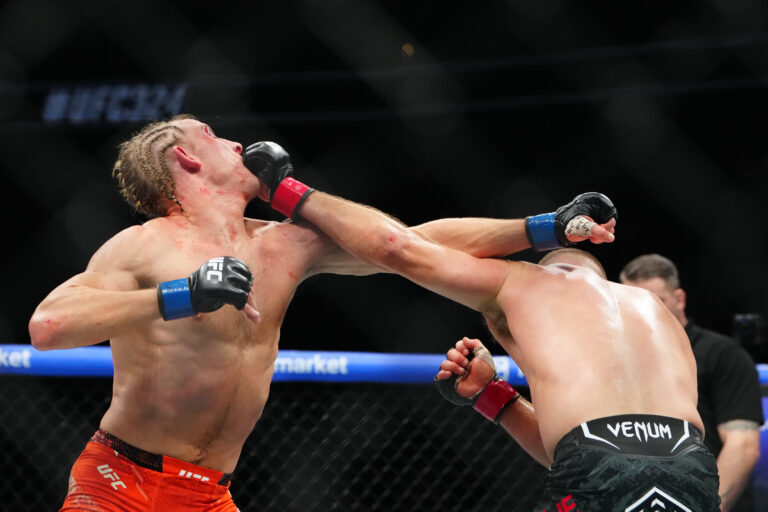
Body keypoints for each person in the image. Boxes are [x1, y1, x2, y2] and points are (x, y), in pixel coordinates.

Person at [27, 116, 611, 511]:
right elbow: (49, 326)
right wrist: (184, 294)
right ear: (186, 156)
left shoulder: (282, 245)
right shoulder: (143, 246)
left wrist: (544, 228)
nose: (237, 143)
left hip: (209, 494)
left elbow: (418, 242)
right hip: (120, 481)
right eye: (214, 135)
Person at [268, 167, 721, 510]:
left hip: (594, 463)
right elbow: (613, 447)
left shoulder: (524, 282)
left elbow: (397, 247)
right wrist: (493, 396)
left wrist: (284, 190)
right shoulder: (658, 312)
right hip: (692, 468)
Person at [620, 254, 763, 512]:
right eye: (632, 302)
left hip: (704, 498)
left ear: (680, 299)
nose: (643, 311)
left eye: (657, 301)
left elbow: (742, 445)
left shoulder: (723, 354)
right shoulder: (616, 359)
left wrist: (708, 505)